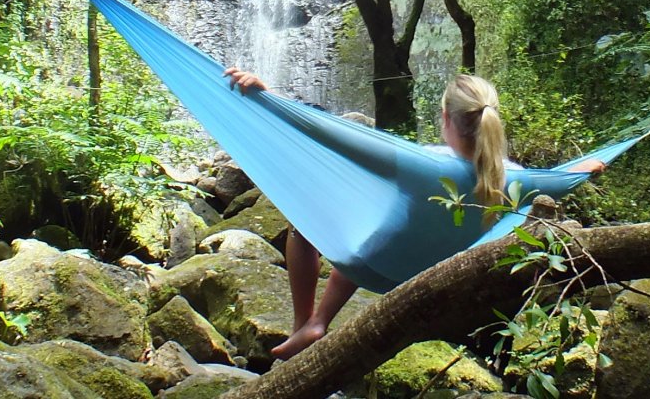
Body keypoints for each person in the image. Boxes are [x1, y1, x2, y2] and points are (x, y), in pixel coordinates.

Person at [223, 66, 605, 360]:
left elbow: (331, 135)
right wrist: (589, 167)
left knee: (306, 223)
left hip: (373, 265)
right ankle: (316, 325)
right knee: (364, 250)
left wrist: (269, 97)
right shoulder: (519, 179)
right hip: (436, 278)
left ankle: (309, 323)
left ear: (445, 118)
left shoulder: (422, 163)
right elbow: (564, 178)